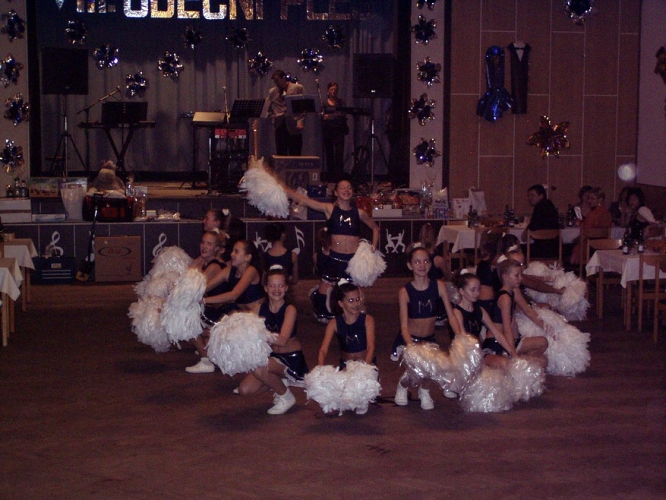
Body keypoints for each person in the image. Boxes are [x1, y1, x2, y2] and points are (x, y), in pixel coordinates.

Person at [285, 178, 380, 321]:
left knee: (353, 294)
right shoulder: (329, 209)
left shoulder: (359, 213)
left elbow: (375, 228)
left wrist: (373, 246)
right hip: (334, 258)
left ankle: (351, 319)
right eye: (342, 188)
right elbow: (305, 200)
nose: (346, 190)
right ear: (335, 192)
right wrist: (285, 191)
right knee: (324, 295)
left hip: (352, 262)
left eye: (349, 187)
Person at [393, 244, 461, 410]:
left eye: (425, 261)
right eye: (417, 262)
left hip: (429, 339)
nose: (422, 265)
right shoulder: (405, 291)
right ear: (410, 265)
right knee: (414, 373)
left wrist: (460, 336)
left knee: (430, 369)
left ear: (430, 264)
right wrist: (411, 346)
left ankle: (424, 391)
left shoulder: (439, 286)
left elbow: (451, 315)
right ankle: (402, 385)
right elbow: (403, 325)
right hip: (409, 340)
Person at [238, 265, 308, 415]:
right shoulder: (258, 308)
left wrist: (259, 334)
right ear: (265, 288)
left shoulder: (290, 309)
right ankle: (278, 382)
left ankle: (286, 397)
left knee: (259, 369)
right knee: (245, 390)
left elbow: (282, 340)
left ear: (286, 287)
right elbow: (245, 328)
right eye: (272, 285)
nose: (276, 289)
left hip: (291, 359)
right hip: (272, 357)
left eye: (280, 285)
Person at [489, 257, 549, 368]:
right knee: (542, 346)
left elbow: (527, 310)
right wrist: (513, 354)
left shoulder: (512, 291)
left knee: (543, 357)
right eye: (517, 275)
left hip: (512, 339)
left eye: (521, 275)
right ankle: (516, 364)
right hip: (499, 342)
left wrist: (545, 326)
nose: (520, 278)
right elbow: (507, 329)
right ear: (505, 277)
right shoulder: (505, 297)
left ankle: (522, 364)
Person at [451, 270, 515, 369]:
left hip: (479, 352)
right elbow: (463, 338)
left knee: (507, 363)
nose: (477, 293)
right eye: (473, 290)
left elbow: (497, 333)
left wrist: (513, 353)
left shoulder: (479, 310)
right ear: (461, 291)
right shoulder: (457, 312)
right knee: (501, 365)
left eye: (478, 289)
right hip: (464, 356)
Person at [185, 231, 228, 374]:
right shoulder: (205, 262)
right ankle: (207, 347)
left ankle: (206, 360)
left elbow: (196, 290)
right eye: (203, 242)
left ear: (216, 248)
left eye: (209, 244)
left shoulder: (214, 266)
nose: (204, 246)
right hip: (210, 309)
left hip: (221, 312)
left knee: (185, 322)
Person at [318, 280, 376, 370]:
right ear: (341, 303)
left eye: (357, 299)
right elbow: (323, 350)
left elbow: (370, 347)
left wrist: (364, 369)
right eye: (351, 300)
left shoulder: (367, 320)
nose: (356, 304)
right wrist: (320, 368)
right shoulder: (334, 323)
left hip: (366, 365)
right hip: (345, 367)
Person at [203, 240, 265, 311]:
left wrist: (204, 300)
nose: (231, 254)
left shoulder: (251, 270)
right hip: (241, 314)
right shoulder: (228, 271)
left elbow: (233, 295)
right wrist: (194, 293)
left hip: (257, 315)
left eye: (236, 251)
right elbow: (206, 287)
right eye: (232, 251)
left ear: (247, 257)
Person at [266, 69, 305, 156]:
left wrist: (300, 121)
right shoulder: (273, 92)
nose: (276, 83)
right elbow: (266, 107)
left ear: (283, 78)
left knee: (295, 153)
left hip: (294, 124)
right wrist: (273, 117)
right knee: (281, 154)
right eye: (275, 81)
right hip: (280, 125)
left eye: (277, 80)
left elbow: (303, 108)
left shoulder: (298, 88)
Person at [570, 187, 613, 265]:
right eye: (589, 198)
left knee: (570, 246)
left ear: (600, 199)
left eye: (592, 199)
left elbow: (585, 233)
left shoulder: (592, 214)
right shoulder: (608, 214)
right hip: (604, 246)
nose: (589, 201)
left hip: (589, 247)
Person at [521, 184, 560, 258]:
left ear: (541, 196)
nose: (529, 198)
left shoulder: (539, 207)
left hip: (541, 249)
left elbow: (534, 224)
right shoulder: (550, 206)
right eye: (528, 196)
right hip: (554, 248)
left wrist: (526, 231)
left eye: (532, 195)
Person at [321, 82, 348, 183]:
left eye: (335, 90)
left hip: (339, 130)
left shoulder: (340, 102)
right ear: (328, 91)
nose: (333, 91)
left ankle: (339, 176)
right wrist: (330, 116)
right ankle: (330, 175)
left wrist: (330, 116)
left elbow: (342, 114)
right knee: (329, 154)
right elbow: (322, 116)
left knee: (339, 154)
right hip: (328, 131)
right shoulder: (324, 103)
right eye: (331, 89)